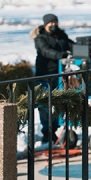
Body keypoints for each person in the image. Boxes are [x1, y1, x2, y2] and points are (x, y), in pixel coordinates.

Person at [31, 13, 74, 142]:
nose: (54, 25)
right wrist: (60, 55)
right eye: (51, 23)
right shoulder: (40, 38)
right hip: (45, 76)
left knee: (59, 104)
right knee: (45, 105)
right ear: (45, 25)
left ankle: (56, 128)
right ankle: (47, 132)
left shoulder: (62, 36)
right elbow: (45, 51)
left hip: (59, 76)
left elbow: (72, 45)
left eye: (56, 22)